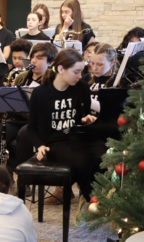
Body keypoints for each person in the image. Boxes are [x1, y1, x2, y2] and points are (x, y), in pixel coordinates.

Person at [27, 48, 102, 223]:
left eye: (82, 71)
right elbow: (31, 128)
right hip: (56, 142)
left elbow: (82, 117)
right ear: (61, 69)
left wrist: (87, 119)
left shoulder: (81, 87)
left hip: (78, 137)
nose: (80, 75)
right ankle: (93, 201)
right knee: (82, 161)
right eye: (76, 72)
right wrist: (39, 145)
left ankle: (92, 200)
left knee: (102, 155)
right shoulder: (40, 93)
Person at [0, 42, 57, 171]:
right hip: (17, 119)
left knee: (24, 136)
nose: (34, 61)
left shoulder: (53, 81)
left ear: (51, 62)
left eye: (40, 58)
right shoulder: (22, 77)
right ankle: (5, 172)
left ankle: (23, 177)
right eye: (32, 57)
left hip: (36, 123)